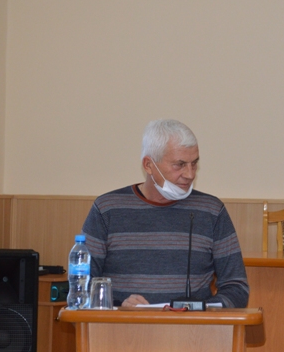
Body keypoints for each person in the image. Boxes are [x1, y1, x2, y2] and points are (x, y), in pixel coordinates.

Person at [81, 119, 249, 308]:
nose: (190, 174)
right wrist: (119, 308)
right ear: (148, 165)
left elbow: (237, 288)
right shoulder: (107, 209)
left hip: (194, 326)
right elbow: (81, 286)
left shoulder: (211, 210)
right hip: (125, 324)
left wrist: (202, 310)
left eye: (194, 164)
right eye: (179, 164)